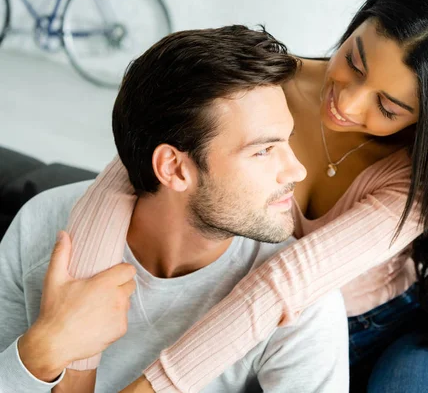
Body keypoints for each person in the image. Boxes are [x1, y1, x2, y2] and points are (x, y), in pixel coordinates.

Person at [61, 0, 428, 391]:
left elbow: (284, 281)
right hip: (282, 330)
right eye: (353, 62)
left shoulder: (426, 175)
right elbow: (127, 176)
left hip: (387, 326)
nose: (347, 102)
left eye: (388, 106)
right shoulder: (261, 85)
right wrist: (76, 370)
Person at [0, 27, 350, 393]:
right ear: (174, 168)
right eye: (263, 150)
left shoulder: (302, 303)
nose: (297, 170)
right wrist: (43, 350)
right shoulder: (41, 227)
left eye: (287, 141)